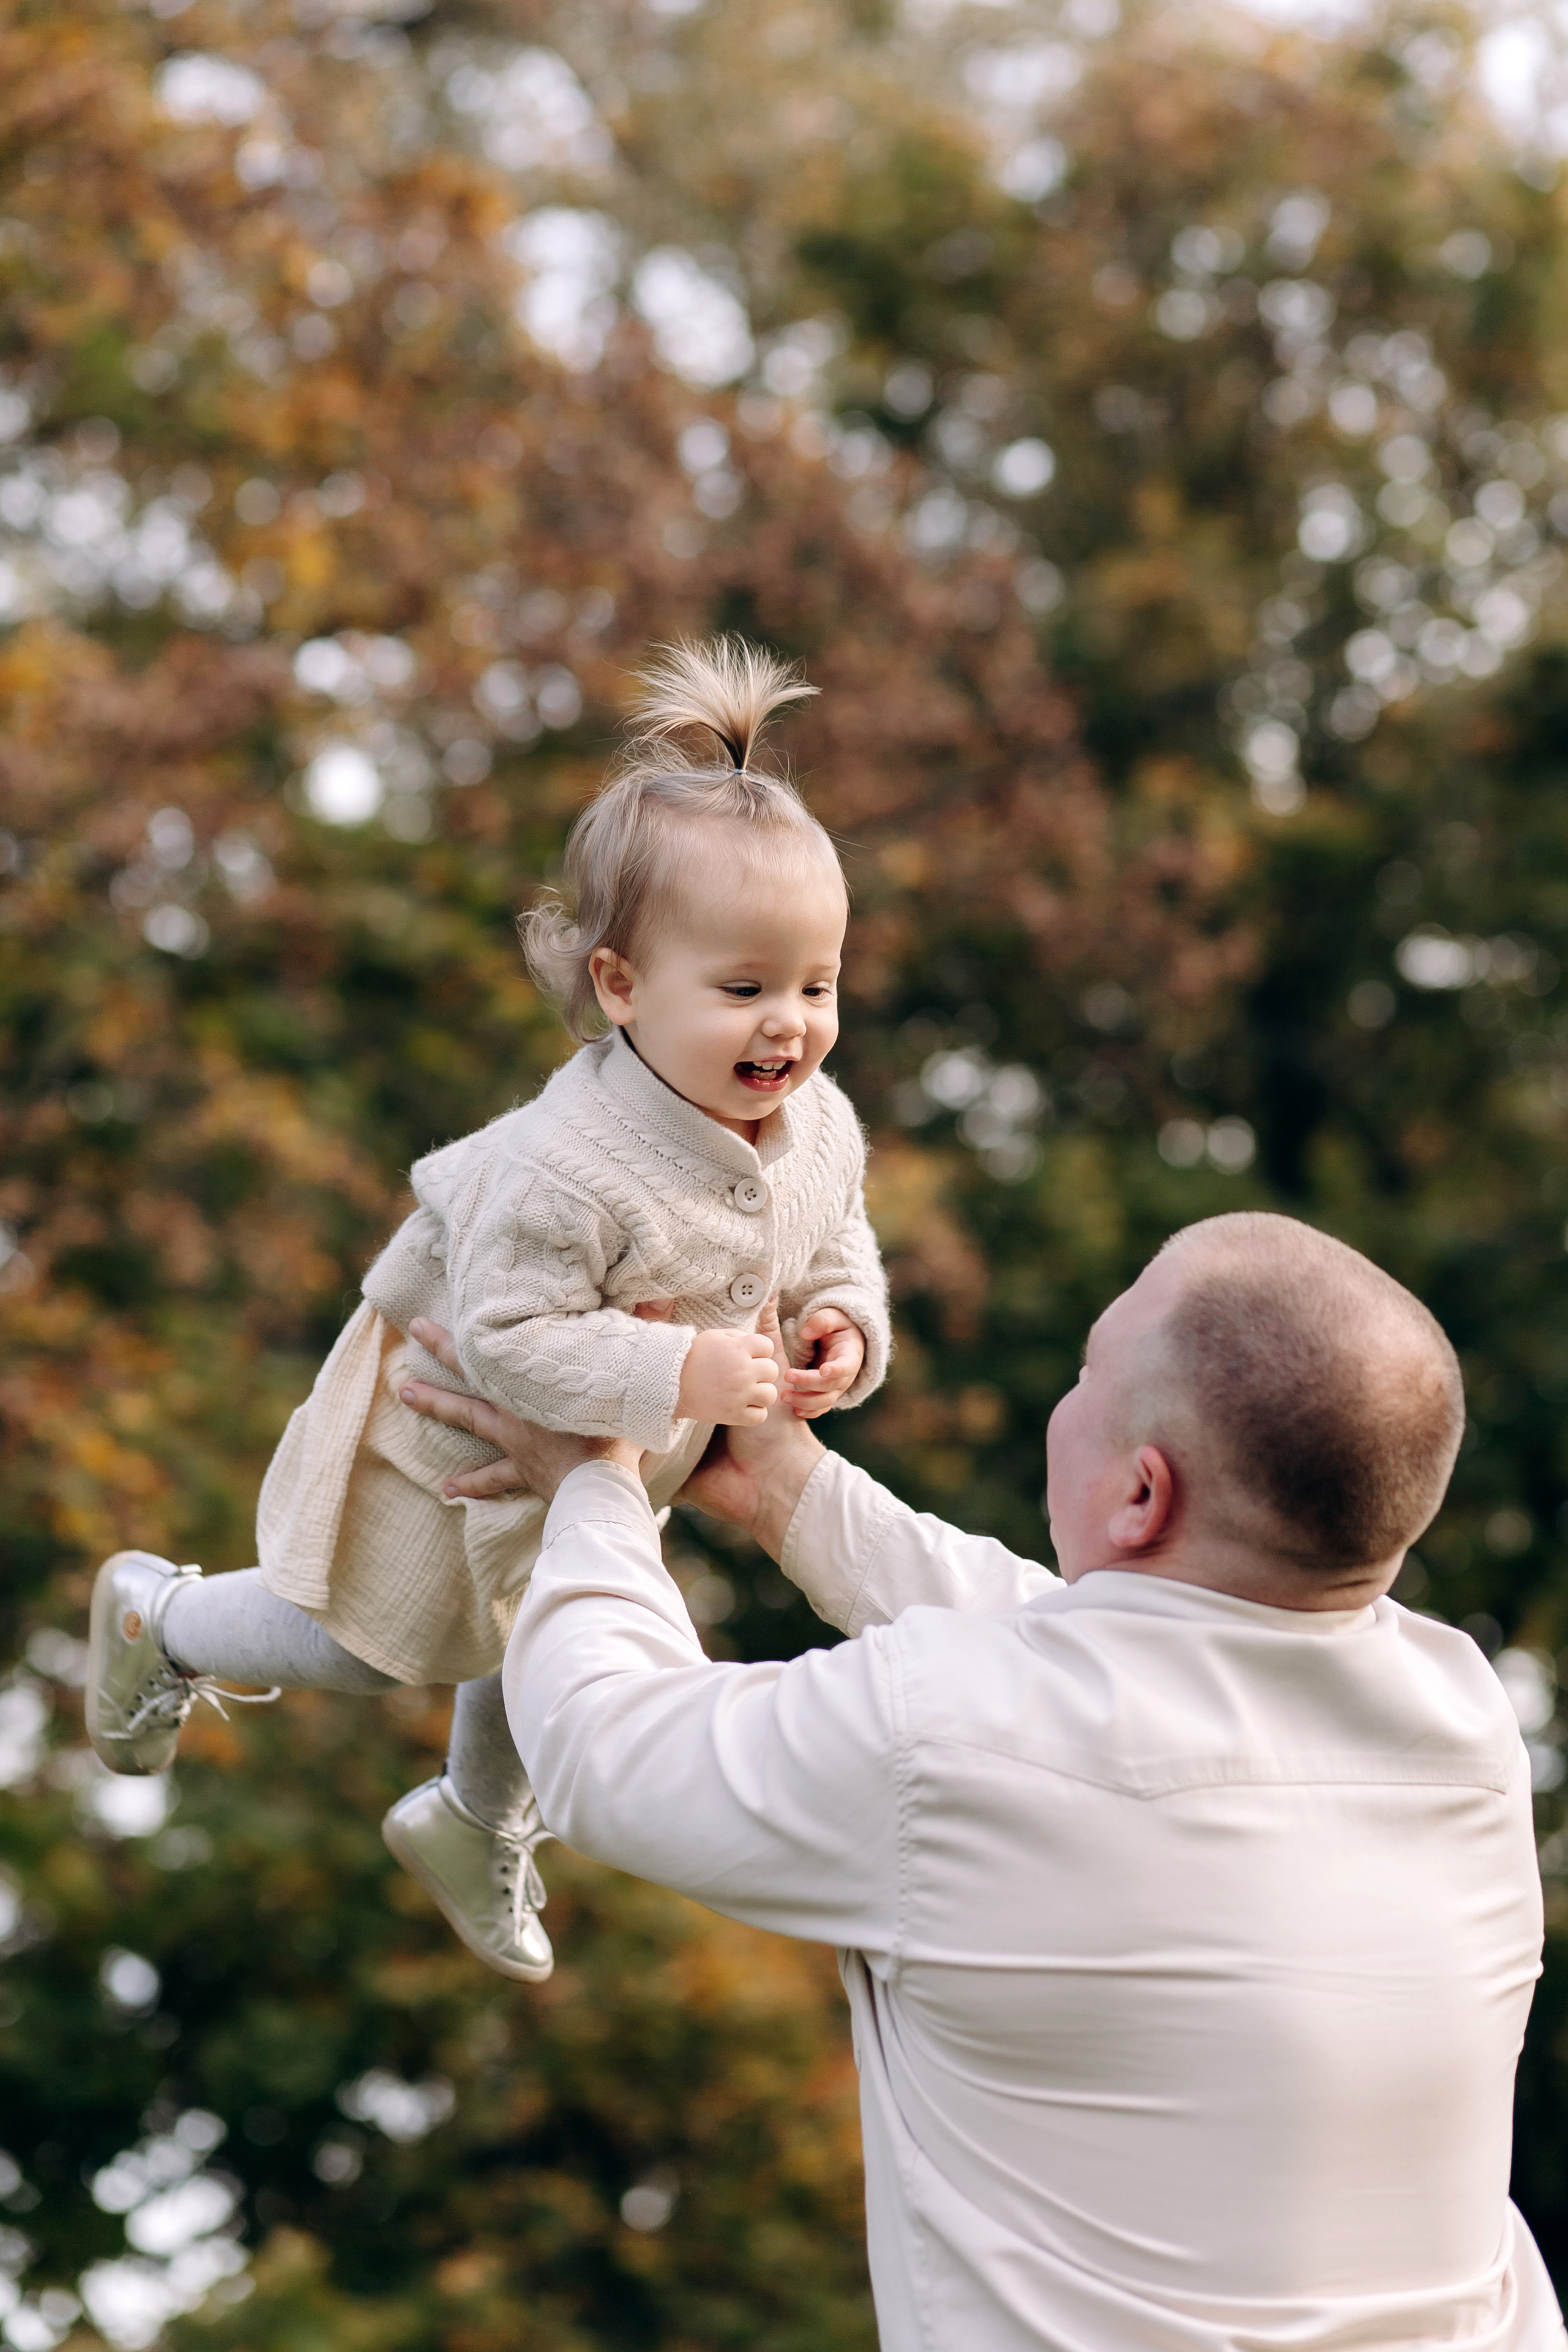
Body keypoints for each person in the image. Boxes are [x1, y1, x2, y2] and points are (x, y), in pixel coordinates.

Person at [399, 1211, 1564, 2351]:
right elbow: (1084, 1668)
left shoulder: (952, 1748)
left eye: (1083, 1376)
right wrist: (790, 1491)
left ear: (1142, 1494)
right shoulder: (1462, 1724)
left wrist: (592, 1478)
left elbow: (604, 1744)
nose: (1067, 1400)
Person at [83, 638, 891, 1986]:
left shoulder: (808, 1122)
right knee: (375, 1633)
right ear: (619, 987)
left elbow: (833, 1230)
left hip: (626, 1434)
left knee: (549, 1620)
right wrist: (682, 1369)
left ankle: (473, 1819)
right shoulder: (559, 1167)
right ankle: (157, 1622)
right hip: (457, 1418)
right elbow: (511, 1339)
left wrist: (841, 1327)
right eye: (744, 989)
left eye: (816, 987)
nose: (790, 1028)